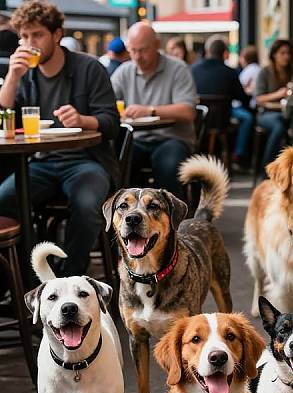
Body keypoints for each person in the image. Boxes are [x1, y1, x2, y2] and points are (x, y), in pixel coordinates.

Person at [0, 0, 119, 277]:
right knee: (4, 201)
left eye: (37, 34)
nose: (30, 42)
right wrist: (13, 78)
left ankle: (69, 278)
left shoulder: (89, 68)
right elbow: (5, 116)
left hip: (86, 161)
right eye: (25, 36)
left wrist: (82, 120)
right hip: (39, 162)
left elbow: (112, 123)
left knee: (88, 205)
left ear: (56, 34)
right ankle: (27, 278)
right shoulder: (24, 74)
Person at [111, 22, 197, 198]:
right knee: (114, 165)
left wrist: (150, 110)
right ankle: (128, 220)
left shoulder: (177, 68)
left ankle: (172, 221)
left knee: (168, 165)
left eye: (142, 50)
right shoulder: (124, 71)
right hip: (136, 139)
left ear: (157, 45)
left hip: (172, 138)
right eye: (132, 50)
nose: (137, 56)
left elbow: (188, 111)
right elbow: (106, 105)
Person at [191, 35, 251, 166]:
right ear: (224, 53)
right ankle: (238, 155)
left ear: (207, 51)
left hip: (198, 123)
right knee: (247, 117)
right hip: (222, 122)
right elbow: (243, 98)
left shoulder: (193, 70)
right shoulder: (230, 72)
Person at [254, 39, 293, 169]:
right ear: (274, 55)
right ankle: (267, 168)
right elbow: (258, 99)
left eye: (288, 53)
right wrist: (279, 94)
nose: (286, 56)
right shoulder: (265, 72)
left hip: (288, 112)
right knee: (279, 125)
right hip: (267, 113)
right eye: (282, 53)